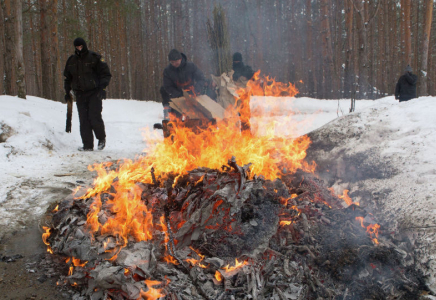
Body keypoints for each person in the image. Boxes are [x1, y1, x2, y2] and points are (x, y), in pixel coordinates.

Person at [64, 37, 112, 151]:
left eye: (81, 46)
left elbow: (105, 74)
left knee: (94, 117)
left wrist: (102, 88)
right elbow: (68, 78)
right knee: (84, 120)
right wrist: (67, 92)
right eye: (77, 47)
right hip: (80, 94)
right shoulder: (71, 61)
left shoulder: (94, 58)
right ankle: (87, 145)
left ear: (84, 46)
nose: (79, 49)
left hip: (94, 92)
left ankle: (101, 139)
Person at [160, 49, 207, 120]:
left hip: (192, 94)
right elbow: (168, 86)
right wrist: (179, 95)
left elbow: (201, 79)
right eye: (172, 62)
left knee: (197, 119)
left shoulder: (191, 66)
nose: (174, 64)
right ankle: (168, 112)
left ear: (181, 59)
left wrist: (195, 90)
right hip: (177, 96)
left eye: (176, 61)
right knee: (163, 90)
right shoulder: (167, 71)